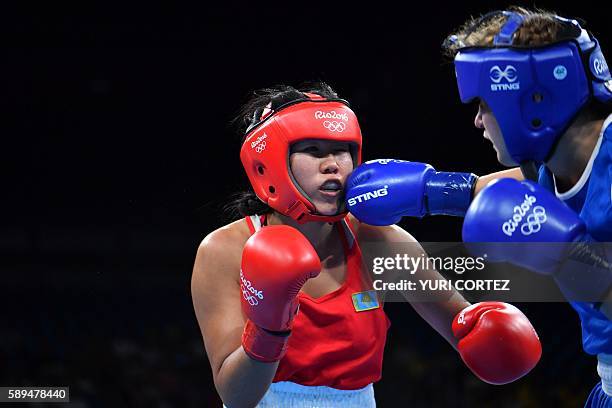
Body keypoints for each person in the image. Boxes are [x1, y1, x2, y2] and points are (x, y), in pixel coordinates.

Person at [190, 83, 542, 407]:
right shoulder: (224, 251)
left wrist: (491, 335)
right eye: (313, 151)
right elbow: (236, 396)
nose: (332, 165)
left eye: (342, 151)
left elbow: (460, 323)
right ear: (270, 165)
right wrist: (268, 328)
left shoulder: (377, 239)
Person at [345, 7, 612, 406]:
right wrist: (432, 191)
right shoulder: (558, 163)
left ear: (532, 99)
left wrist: (570, 257)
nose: (477, 121)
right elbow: (514, 187)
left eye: (484, 104)